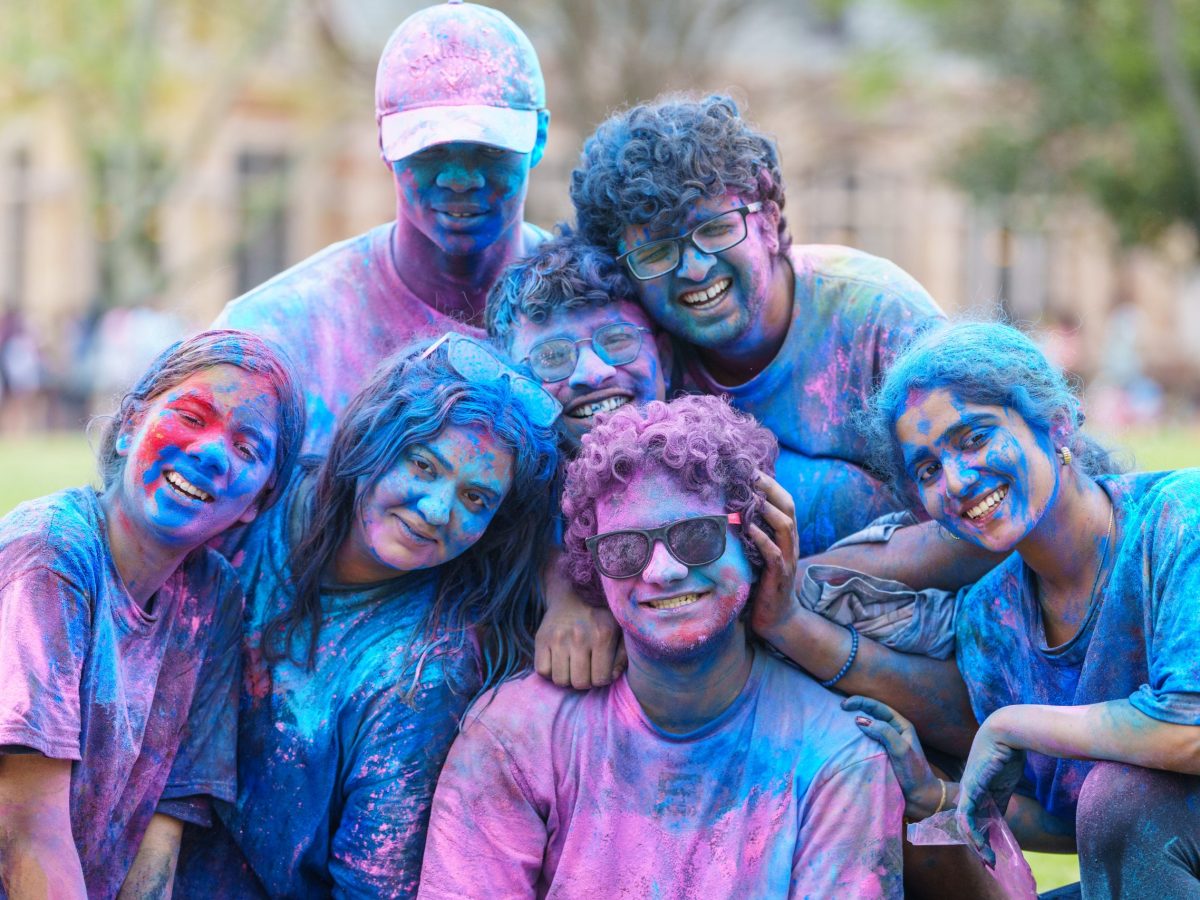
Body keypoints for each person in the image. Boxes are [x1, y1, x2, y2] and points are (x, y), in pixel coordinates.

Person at [419, 395, 904, 898]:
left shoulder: (838, 755)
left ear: (757, 540)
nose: (664, 571)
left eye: (696, 536)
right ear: (593, 567)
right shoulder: (514, 736)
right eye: (625, 548)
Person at [174, 335, 560, 898]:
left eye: (476, 498)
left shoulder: (423, 674)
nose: (435, 509)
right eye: (424, 464)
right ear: (377, 436)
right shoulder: (260, 497)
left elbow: (371, 887)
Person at [855, 321, 1200, 898]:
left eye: (974, 438)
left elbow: (1190, 731)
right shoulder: (990, 622)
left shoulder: (1177, 520)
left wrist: (1012, 725)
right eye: (929, 470)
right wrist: (936, 796)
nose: (958, 480)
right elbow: (1081, 824)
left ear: (1056, 422)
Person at [0, 330, 304, 899]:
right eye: (191, 417)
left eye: (246, 449)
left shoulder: (212, 598)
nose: (212, 452)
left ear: (258, 502)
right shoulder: (52, 554)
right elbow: (26, 835)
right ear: (131, 423)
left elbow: (159, 836)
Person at [571, 94, 945, 555]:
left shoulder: (884, 317)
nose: (693, 267)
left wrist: (803, 594)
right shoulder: (632, 352)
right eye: (656, 251)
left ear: (768, 220)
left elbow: (979, 520)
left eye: (716, 228)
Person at [218, 0, 551, 452]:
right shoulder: (277, 336)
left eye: (488, 150)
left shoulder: (602, 322)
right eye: (429, 150)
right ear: (384, 142)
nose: (459, 178)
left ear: (539, 138)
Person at [486, 228, 671, 689]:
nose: (593, 373)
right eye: (552, 357)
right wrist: (558, 577)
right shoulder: (480, 505)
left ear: (663, 352)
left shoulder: (743, 478)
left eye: (618, 339)